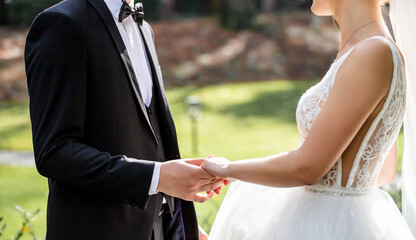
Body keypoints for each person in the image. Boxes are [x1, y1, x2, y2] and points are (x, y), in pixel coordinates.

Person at [202, 0, 416, 239]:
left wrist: (228, 169)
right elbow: (383, 170)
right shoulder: (370, 47)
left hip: (330, 226)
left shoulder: (371, 52)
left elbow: (308, 168)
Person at [24, 0, 224, 239]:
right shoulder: (62, 24)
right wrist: (159, 176)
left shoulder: (143, 28)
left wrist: (179, 218)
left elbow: (148, 139)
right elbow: (54, 152)